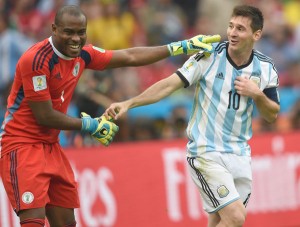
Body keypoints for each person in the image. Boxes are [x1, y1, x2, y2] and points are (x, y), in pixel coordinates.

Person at [0, 5, 219, 227]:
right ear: (54, 29)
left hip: (51, 146)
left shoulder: (83, 54)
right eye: (68, 32)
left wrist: (179, 47)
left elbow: (130, 56)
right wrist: (90, 125)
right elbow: (44, 116)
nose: (76, 38)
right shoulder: (36, 60)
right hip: (21, 146)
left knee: (66, 223)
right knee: (33, 221)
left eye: (80, 32)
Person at [105, 5, 280, 227]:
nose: (233, 33)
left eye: (241, 29)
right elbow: (168, 85)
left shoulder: (266, 68)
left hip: (240, 154)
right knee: (235, 218)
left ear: (256, 35)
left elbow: (272, 114)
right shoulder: (209, 56)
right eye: (231, 26)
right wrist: (129, 103)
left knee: (218, 220)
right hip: (206, 152)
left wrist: (257, 95)